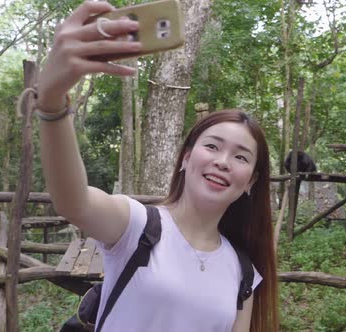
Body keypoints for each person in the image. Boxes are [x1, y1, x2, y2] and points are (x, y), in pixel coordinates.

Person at [34, 1, 279, 331]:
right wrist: (51, 102)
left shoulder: (244, 272)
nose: (223, 162)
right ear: (186, 158)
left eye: (240, 157)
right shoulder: (136, 225)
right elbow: (73, 201)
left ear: (251, 181)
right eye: (212, 146)